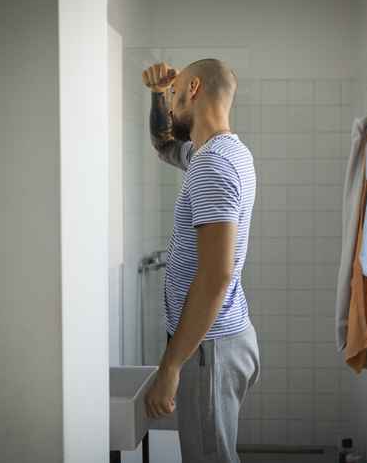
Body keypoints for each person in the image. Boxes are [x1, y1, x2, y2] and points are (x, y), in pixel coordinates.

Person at [142, 59, 261, 462]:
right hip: (216, 341)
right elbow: (163, 145)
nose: (171, 108)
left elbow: (216, 275)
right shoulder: (215, 152)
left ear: (193, 88)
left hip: (209, 348)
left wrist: (171, 365)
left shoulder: (213, 164)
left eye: (175, 97)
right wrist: (158, 93)